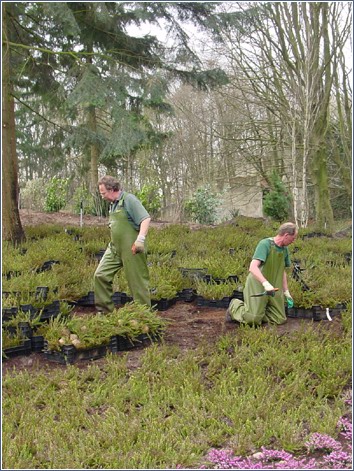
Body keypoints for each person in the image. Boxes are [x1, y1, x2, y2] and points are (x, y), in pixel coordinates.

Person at [94, 175, 151, 312]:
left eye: (103, 193)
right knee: (100, 275)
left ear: (112, 189)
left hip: (132, 249)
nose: (102, 197)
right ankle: (105, 312)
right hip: (114, 249)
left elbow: (145, 219)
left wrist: (140, 240)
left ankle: (144, 317)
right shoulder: (113, 205)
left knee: (137, 284)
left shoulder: (129, 200)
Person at [226, 222, 298, 326]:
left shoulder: (284, 250)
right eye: (293, 238)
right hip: (258, 284)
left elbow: (282, 271)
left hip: (274, 287)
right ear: (286, 235)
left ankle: (259, 312)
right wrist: (265, 284)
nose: (293, 241)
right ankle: (234, 307)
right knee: (253, 319)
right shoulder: (265, 244)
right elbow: (253, 267)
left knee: (279, 319)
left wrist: (286, 291)